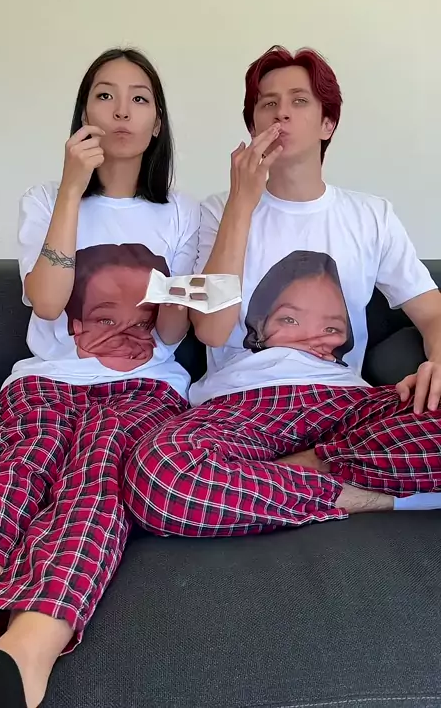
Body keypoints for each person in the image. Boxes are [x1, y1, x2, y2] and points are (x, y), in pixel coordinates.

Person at [124, 44, 441, 543]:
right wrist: (242, 202)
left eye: (299, 101)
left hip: (343, 404)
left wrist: (438, 361)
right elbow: (212, 330)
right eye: (267, 104)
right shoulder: (217, 210)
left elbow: (432, 312)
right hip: (238, 405)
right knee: (156, 475)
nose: (281, 113)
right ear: (253, 124)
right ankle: (369, 496)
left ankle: (291, 473)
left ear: (327, 124)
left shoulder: (371, 215)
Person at [0, 47, 199, 707]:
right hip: (46, 383)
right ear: (84, 113)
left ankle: (21, 657)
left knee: (97, 482)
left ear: (156, 123)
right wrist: (72, 188)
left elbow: (172, 335)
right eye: (105, 94)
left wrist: (180, 289)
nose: (122, 110)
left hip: (144, 390)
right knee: (22, 470)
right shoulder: (45, 198)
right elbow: (46, 302)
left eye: (139, 98)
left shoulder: (181, 214)